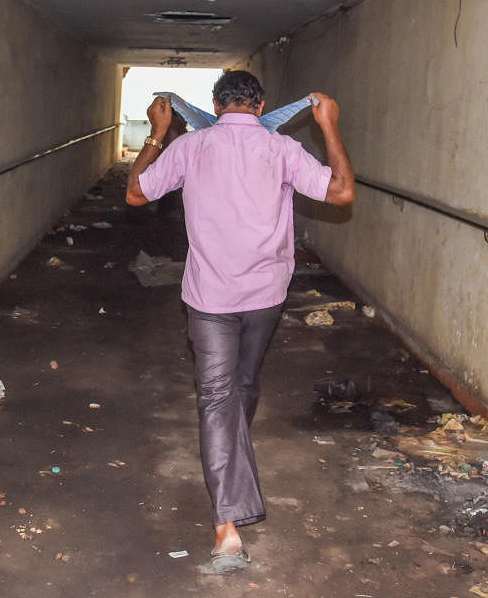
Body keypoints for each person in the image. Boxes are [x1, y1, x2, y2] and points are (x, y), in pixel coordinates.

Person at [124, 70, 355, 574]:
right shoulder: (282, 150)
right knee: (231, 391)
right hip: (265, 295)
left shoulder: (192, 147)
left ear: (214, 103)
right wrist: (329, 126)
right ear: (262, 104)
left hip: (211, 298)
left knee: (230, 394)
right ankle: (226, 522)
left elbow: (136, 193)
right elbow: (340, 192)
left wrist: (158, 134)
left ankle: (225, 453)